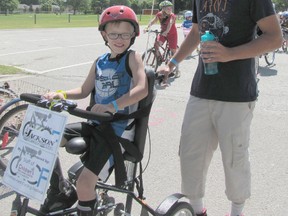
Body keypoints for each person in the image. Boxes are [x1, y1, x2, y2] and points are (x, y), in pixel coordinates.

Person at [158, 1, 282, 216]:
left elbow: (274, 38)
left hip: (237, 93)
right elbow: (196, 32)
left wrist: (229, 54)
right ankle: (197, 211)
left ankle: (236, 212)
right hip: (202, 89)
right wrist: (171, 64)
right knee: (191, 154)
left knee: (235, 157)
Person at [39, 5, 148, 216]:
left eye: (126, 34)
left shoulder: (133, 58)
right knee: (46, 137)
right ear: (104, 35)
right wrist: (61, 94)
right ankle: (59, 189)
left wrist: (112, 106)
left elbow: (142, 89)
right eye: (114, 34)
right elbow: (83, 90)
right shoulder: (99, 61)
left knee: (85, 183)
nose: (120, 39)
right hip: (94, 124)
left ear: (133, 35)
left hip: (116, 131)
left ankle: (85, 205)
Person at [145, 0, 180, 82]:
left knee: (173, 51)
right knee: (156, 44)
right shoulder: (159, 15)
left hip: (172, 34)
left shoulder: (172, 16)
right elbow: (153, 21)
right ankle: (159, 58)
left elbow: (170, 24)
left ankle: (177, 69)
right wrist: (147, 27)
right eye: (168, 8)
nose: (170, 9)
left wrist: (166, 32)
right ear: (163, 8)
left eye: (170, 8)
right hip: (163, 33)